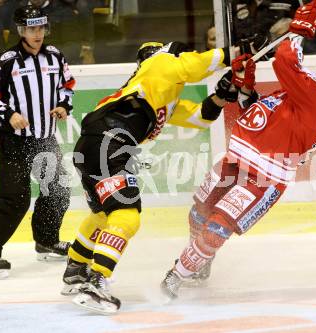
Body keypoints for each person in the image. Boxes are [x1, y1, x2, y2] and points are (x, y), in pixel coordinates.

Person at [160, 0, 316, 299]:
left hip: (261, 179)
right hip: (236, 161)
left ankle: (178, 274)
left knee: (218, 225)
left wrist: (299, 30)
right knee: (198, 213)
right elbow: (254, 116)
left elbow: (284, 61)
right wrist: (246, 85)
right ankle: (199, 263)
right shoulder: (298, 100)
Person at [61, 41, 250, 314]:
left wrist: (223, 93)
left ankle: (75, 271)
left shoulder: (161, 98)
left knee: (104, 214)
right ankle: (96, 281)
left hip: (95, 144)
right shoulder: (158, 64)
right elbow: (191, 67)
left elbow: (200, 117)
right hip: (110, 143)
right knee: (127, 215)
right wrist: (231, 54)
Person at [0, 5, 75, 279]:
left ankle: (46, 241)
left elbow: (66, 87)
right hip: (15, 141)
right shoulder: (6, 61)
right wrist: (9, 114)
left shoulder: (55, 57)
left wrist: (64, 106)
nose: (37, 33)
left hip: (45, 139)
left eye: (41, 28)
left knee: (58, 190)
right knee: (15, 199)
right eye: (32, 28)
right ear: (21, 30)